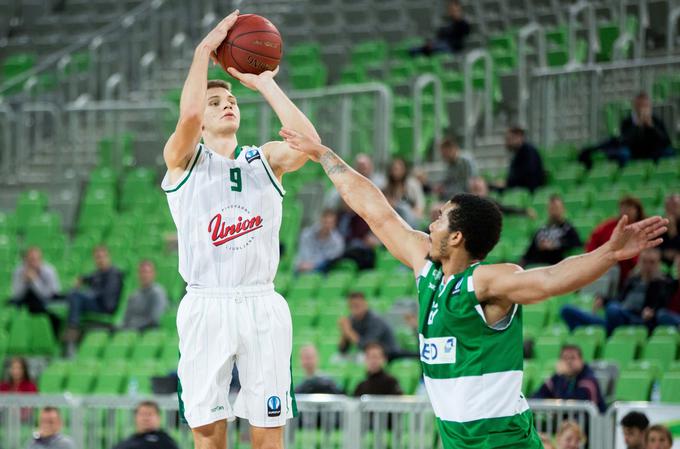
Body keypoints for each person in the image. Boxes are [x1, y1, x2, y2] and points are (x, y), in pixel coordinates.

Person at [279, 127, 667, 448]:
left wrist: (608, 253)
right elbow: (374, 209)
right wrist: (323, 154)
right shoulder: (426, 268)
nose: (431, 223)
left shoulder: (485, 281)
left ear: (458, 236)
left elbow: (550, 278)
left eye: (441, 218)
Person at [161, 11, 321, 449]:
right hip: (206, 303)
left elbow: (309, 144)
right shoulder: (183, 160)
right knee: (209, 437)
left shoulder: (263, 160)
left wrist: (265, 83)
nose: (226, 104)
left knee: (269, 436)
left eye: (230, 100)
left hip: (261, 302)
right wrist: (201, 53)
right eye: (215, 103)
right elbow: (189, 114)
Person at [561, 248, 673, 335]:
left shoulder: (662, 283)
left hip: (636, 320)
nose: (647, 266)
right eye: (644, 262)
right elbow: (620, 298)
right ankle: (595, 337)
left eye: (652, 262)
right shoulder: (633, 280)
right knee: (566, 310)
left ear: (658, 264)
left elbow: (664, 305)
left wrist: (651, 311)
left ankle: (606, 335)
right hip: (617, 316)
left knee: (613, 309)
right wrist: (603, 300)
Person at [579, 92, 674, 168]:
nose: (643, 108)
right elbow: (625, 141)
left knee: (669, 152)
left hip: (652, 151)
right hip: (634, 151)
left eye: (645, 105)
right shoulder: (627, 122)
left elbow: (665, 141)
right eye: (640, 105)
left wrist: (651, 127)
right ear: (635, 106)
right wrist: (638, 125)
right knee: (623, 153)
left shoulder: (656, 120)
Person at [64, 245, 123, 351]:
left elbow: (107, 296)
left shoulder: (113, 273)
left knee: (76, 296)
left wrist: (90, 293)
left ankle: (73, 331)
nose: (100, 260)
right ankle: (71, 332)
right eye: (97, 257)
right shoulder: (97, 273)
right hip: (96, 302)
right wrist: (81, 280)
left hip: (105, 306)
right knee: (73, 294)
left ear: (108, 257)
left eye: (102, 257)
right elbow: (87, 277)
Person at [587, 196, 646, 287]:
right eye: (623, 207)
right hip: (609, 269)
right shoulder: (608, 227)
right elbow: (593, 242)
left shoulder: (644, 228)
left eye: (630, 207)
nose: (626, 210)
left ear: (637, 210)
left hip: (634, 271)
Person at [532, 345, 606, 412]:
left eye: (573, 358)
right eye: (565, 358)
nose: (569, 362)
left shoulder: (588, 380)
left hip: (589, 424)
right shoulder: (557, 377)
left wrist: (560, 376)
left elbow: (572, 404)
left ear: (581, 360)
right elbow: (537, 395)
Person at [10, 247, 61, 335]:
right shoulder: (18, 271)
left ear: (40, 259)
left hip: (46, 300)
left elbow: (50, 294)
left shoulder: (49, 271)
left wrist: (35, 281)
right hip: (24, 300)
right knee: (8, 305)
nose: (32, 262)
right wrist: (24, 282)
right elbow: (16, 294)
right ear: (25, 260)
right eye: (30, 260)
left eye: (35, 259)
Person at [521, 195, 581, 266]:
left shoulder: (568, 228)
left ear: (563, 209)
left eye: (556, 208)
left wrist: (555, 245)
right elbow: (529, 252)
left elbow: (576, 245)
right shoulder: (541, 230)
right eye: (552, 208)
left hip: (558, 266)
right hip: (539, 266)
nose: (554, 211)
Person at [338, 292, 399, 360]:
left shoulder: (375, 320)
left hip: (388, 354)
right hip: (368, 356)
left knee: (363, 358)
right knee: (338, 359)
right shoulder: (351, 319)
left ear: (365, 304)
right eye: (351, 306)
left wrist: (348, 331)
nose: (354, 309)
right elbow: (342, 350)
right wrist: (344, 332)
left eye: (357, 305)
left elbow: (366, 346)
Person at [122, 260, 168, 331]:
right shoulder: (134, 296)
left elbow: (154, 319)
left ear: (154, 274)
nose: (144, 275)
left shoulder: (158, 293)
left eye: (147, 272)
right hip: (130, 331)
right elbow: (126, 319)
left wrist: (133, 327)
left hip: (148, 334)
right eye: (142, 272)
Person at [112, 401, 179, 449]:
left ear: (158, 418)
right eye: (142, 414)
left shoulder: (165, 442)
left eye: (150, 414)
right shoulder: (127, 442)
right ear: (135, 417)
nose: (146, 418)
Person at [383, 158, 425, 227]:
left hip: (410, 220)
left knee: (403, 208)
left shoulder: (412, 184)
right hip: (394, 219)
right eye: (394, 169)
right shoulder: (387, 187)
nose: (396, 171)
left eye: (398, 169)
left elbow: (420, 206)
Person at [502, 126, 546, 193]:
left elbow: (528, 175)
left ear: (519, 137)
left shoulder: (529, 152)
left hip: (529, 191)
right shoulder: (517, 154)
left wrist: (508, 183)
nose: (507, 142)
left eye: (509, 139)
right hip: (519, 188)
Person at [468, 177, 536, 218]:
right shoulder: (466, 205)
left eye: (479, 189)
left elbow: (506, 209)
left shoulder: (490, 203)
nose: (478, 194)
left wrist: (524, 211)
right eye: (475, 190)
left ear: (486, 190)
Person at [656, 254, 680, 326]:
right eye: (679, 266)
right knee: (661, 314)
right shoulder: (670, 285)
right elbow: (660, 304)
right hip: (671, 318)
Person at [659, 192, 680, 267]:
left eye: (675, 205)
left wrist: (673, 231)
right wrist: (663, 253)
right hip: (661, 265)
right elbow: (654, 247)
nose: (671, 209)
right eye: (668, 206)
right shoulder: (659, 224)